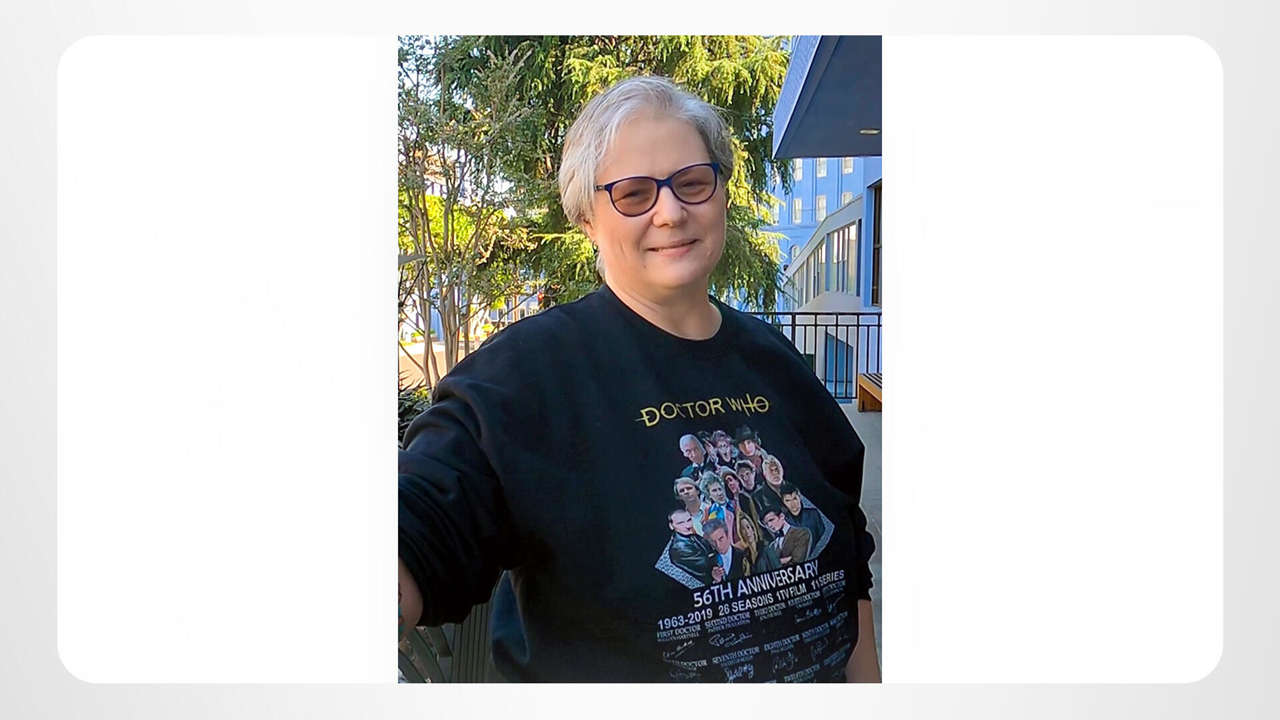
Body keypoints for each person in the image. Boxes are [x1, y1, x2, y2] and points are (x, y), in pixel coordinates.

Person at [398, 75, 879, 682]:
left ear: (722, 195)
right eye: (633, 194)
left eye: (693, 183)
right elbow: (424, 520)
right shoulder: (526, 376)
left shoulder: (778, 363)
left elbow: (848, 565)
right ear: (587, 218)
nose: (671, 212)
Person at [666, 508, 718, 586]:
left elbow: (710, 549)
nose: (688, 526)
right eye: (681, 523)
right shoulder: (678, 547)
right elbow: (706, 563)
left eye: (689, 520)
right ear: (671, 526)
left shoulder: (692, 536)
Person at [780, 482, 827, 556]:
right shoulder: (784, 521)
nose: (793, 504)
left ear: (800, 497)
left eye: (795, 498)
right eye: (788, 501)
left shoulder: (813, 514)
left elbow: (824, 535)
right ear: (783, 502)